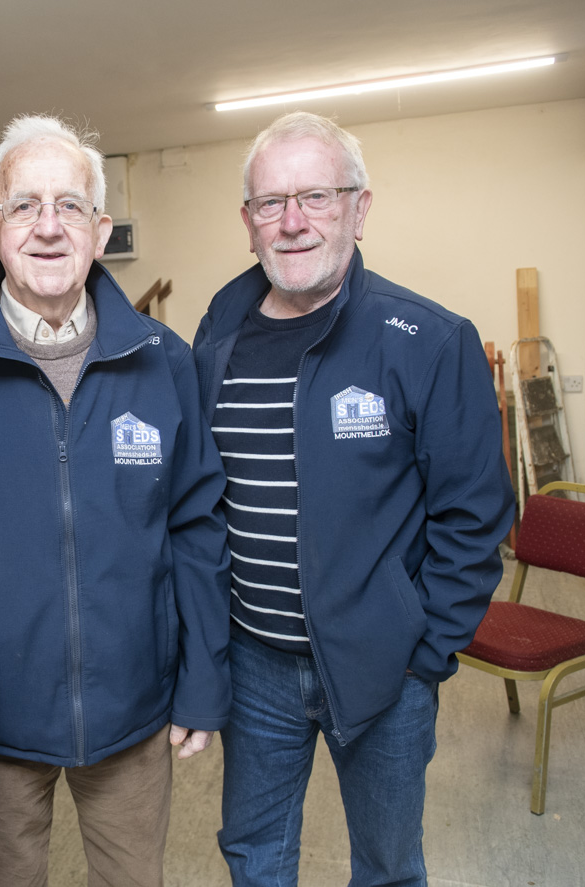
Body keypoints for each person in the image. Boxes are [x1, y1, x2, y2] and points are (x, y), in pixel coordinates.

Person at [0, 115, 230, 887]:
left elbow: (197, 530)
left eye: (70, 205)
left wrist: (203, 681)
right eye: (25, 206)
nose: (48, 227)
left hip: (134, 712)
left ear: (100, 231)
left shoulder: (163, 361)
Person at [193, 111, 515, 887]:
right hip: (253, 662)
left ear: (360, 208)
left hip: (384, 669)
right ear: (248, 222)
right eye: (271, 202)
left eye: (317, 196)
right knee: (255, 855)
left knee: (387, 866)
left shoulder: (429, 340)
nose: (293, 221)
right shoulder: (219, 329)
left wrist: (421, 654)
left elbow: (475, 517)